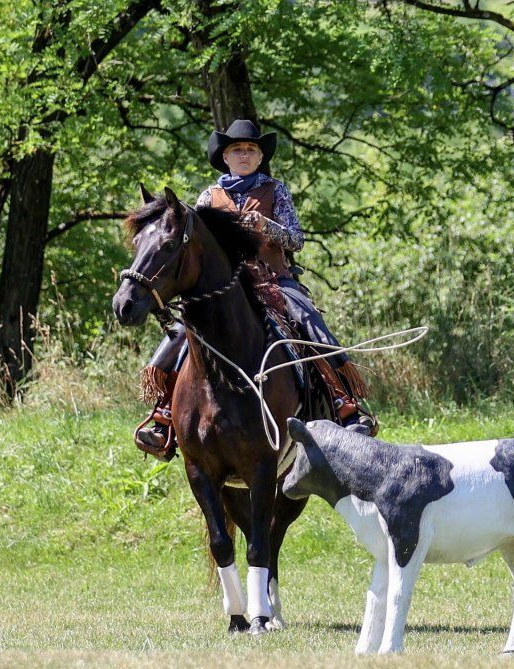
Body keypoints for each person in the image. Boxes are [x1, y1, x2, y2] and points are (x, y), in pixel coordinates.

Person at [135, 119, 376, 457]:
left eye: (251, 149)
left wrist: (267, 225)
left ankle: (344, 404)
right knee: (183, 331)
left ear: (261, 157)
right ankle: (163, 417)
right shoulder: (208, 198)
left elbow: (296, 239)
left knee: (309, 321)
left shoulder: (276, 190)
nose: (244, 154)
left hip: (273, 280)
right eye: (237, 150)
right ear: (225, 157)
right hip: (224, 288)